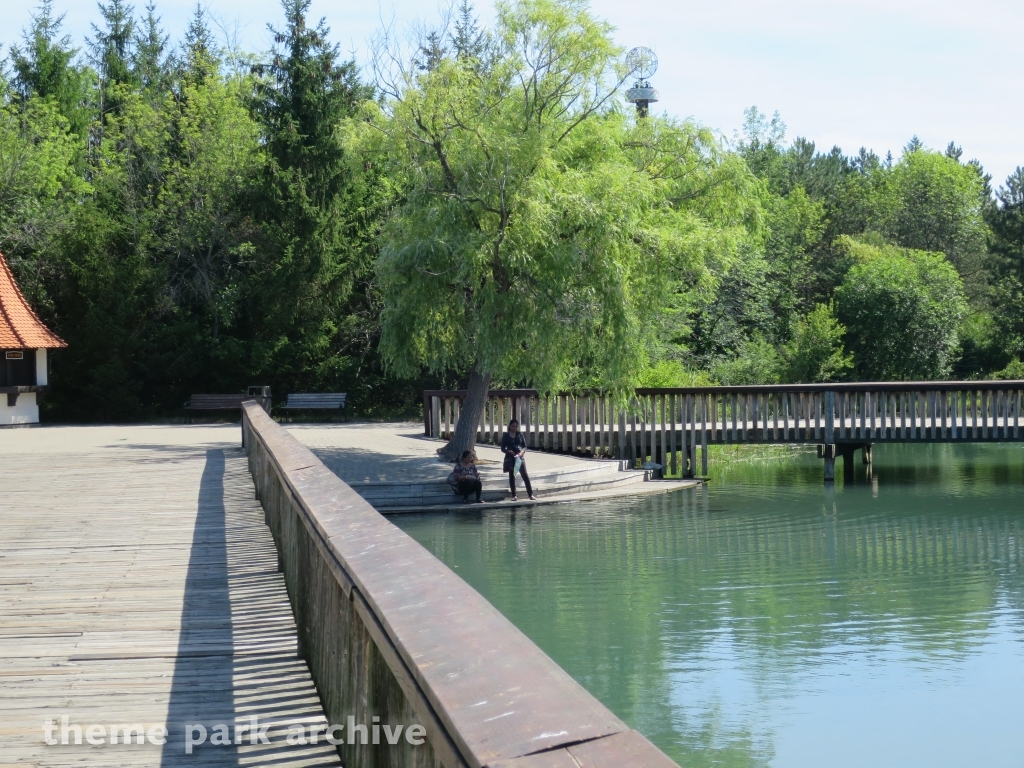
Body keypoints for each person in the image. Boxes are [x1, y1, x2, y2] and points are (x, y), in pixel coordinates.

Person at [500, 419, 536, 501]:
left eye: (516, 426)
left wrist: (522, 453)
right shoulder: (506, 436)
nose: (514, 428)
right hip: (511, 457)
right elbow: (502, 448)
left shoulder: (520, 434)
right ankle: (514, 495)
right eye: (513, 426)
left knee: (525, 475)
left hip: (519, 457)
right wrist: (508, 451)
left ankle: (530, 494)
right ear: (510, 426)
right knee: (512, 476)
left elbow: (525, 446)